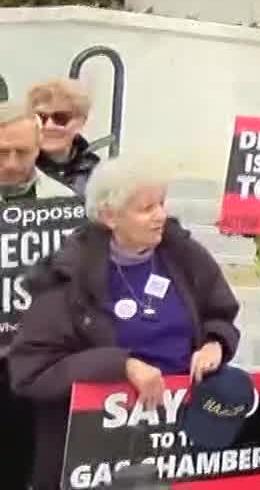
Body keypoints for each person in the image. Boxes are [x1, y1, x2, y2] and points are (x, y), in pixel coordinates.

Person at [9, 157, 240, 490]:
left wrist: (215, 343)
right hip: (95, 453)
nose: (160, 215)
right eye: (146, 209)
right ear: (109, 216)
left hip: (175, 440)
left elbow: (220, 315)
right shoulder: (67, 276)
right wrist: (121, 365)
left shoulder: (184, 254)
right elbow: (31, 372)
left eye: (161, 203)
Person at [0, 104, 74, 490]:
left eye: (23, 153)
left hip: (36, 360)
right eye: (1, 152)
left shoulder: (63, 204)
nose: (12, 164)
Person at [25, 78, 102, 193]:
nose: (49, 126)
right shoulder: (19, 169)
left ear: (81, 122)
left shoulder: (97, 172)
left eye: (61, 118)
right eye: (41, 118)